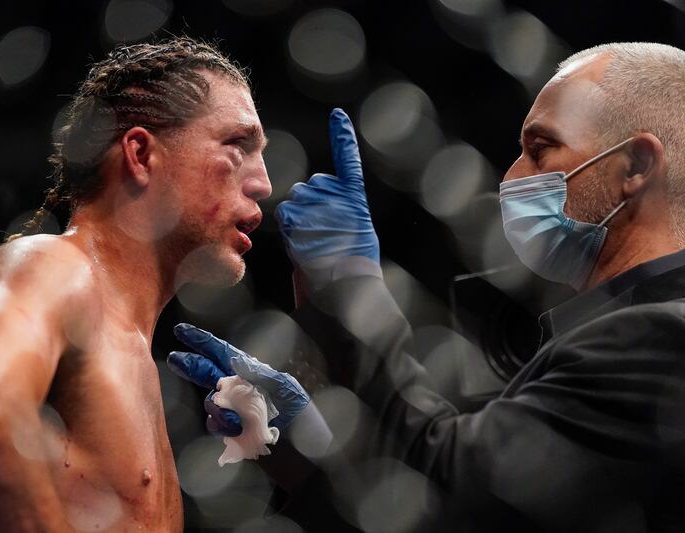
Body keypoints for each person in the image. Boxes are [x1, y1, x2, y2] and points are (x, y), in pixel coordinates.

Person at [168, 42, 685, 532]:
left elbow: (450, 491)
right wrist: (310, 440)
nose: (510, 177)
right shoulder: (607, 336)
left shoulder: (658, 337)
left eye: (540, 149)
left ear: (635, 167)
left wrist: (352, 288)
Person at [0, 37, 273, 532]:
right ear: (142, 154)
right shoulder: (51, 268)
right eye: (238, 146)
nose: (264, 184)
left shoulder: (138, 358)